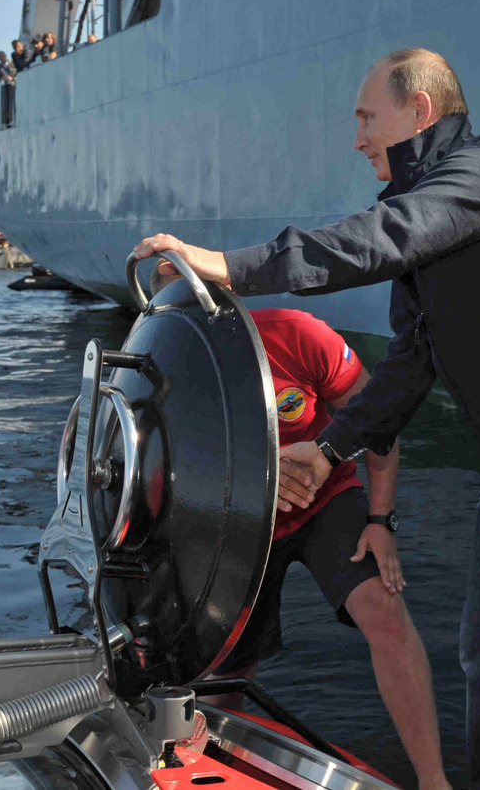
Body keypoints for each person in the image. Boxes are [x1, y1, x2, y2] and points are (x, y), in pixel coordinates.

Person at [134, 48, 480, 790]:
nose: (357, 139)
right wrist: (330, 447)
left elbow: (374, 240)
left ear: (420, 109)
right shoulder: (429, 231)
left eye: (365, 117)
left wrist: (224, 262)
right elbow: (412, 362)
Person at [151, 267, 452, 789]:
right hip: (237, 523)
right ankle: (212, 765)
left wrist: (380, 520)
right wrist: (262, 472)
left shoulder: (297, 333)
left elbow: (378, 423)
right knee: (223, 666)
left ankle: (433, 779)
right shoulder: (164, 372)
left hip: (326, 499)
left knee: (384, 611)